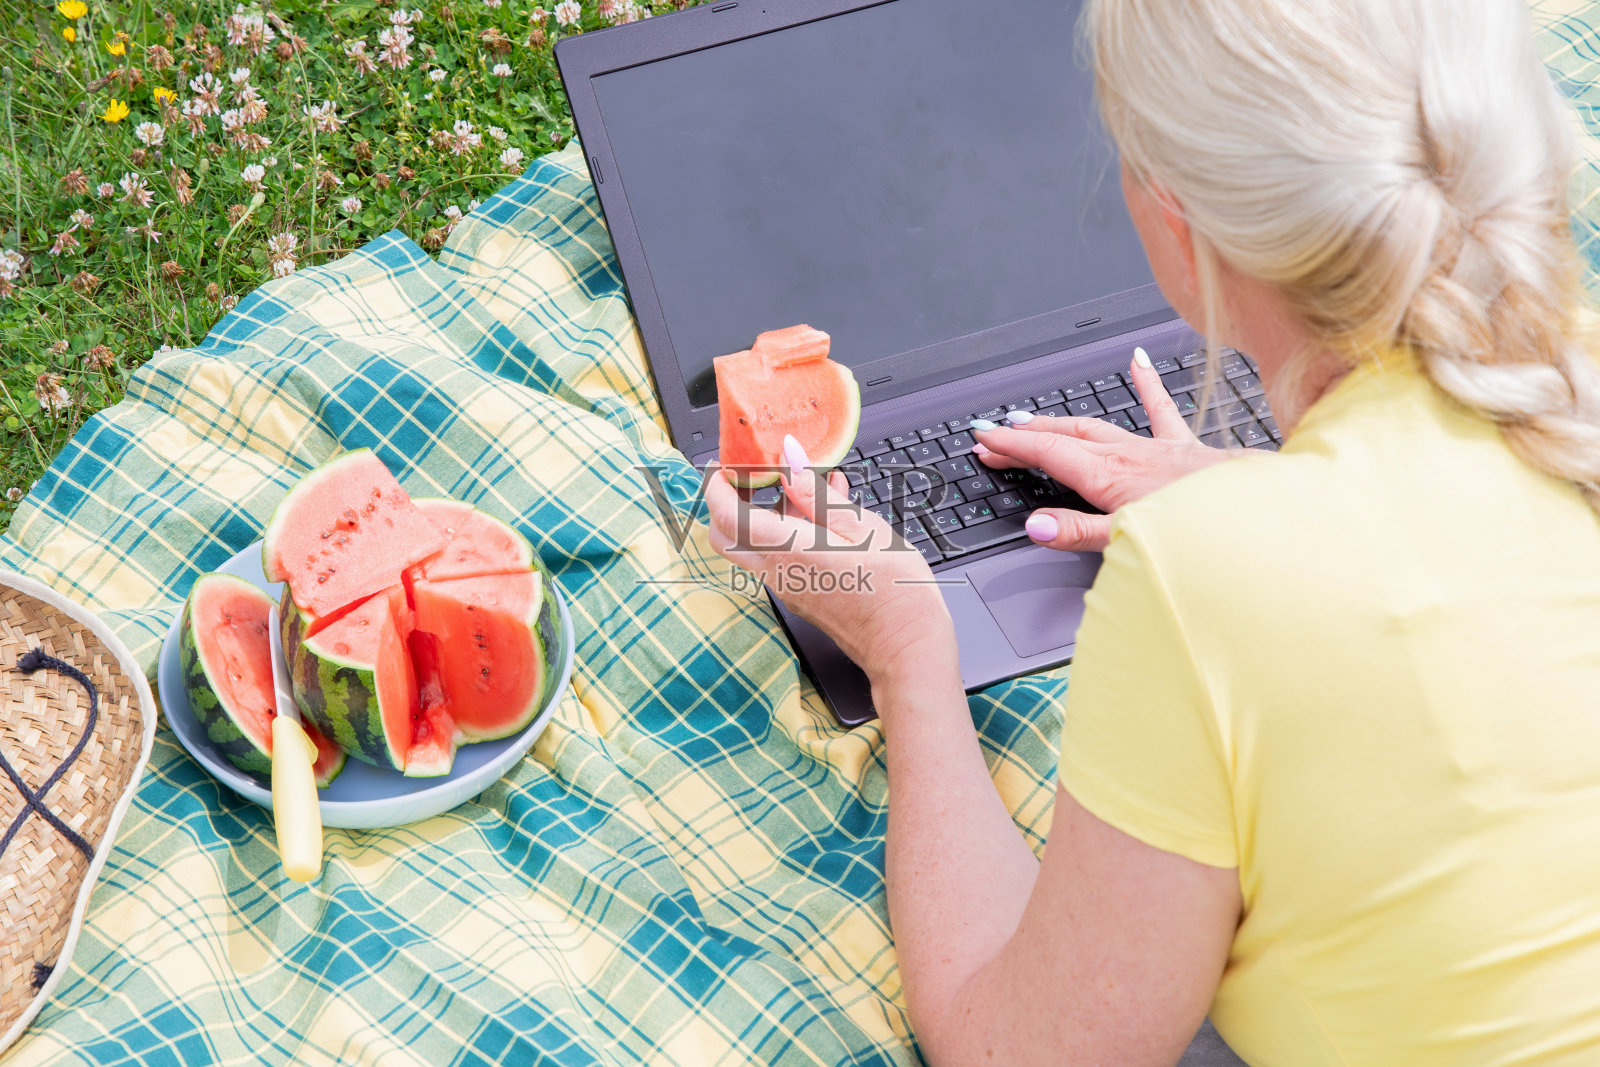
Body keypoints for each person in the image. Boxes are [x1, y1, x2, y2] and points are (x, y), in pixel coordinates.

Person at [703, 0, 1600, 1062]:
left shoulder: (1207, 571)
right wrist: (1270, 493)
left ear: (1174, 221)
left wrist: (907, 652)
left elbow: (1020, 1049)